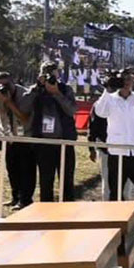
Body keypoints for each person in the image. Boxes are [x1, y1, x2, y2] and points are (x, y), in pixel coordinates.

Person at [93, 67, 134, 215]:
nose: (126, 83)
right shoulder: (110, 99)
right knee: (115, 192)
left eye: (129, 79)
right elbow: (100, 112)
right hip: (117, 152)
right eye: (123, 80)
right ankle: (116, 222)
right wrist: (107, 89)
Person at [20, 61, 78, 202]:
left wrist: (57, 93)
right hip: (44, 142)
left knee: (67, 181)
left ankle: (67, 214)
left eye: (53, 72)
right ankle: (46, 213)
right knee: (46, 181)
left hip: (64, 141)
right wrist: (36, 89)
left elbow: (72, 110)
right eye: (46, 72)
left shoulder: (65, 89)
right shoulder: (36, 90)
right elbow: (23, 107)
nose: (51, 77)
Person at [0, 71, 34, 210]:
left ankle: (26, 200)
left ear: (13, 82)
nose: (4, 88)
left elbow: (24, 118)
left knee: (26, 171)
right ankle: (15, 197)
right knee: (12, 170)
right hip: (6, 137)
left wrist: (9, 102)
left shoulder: (24, 94)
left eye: (7, 84)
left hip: (24, 138)